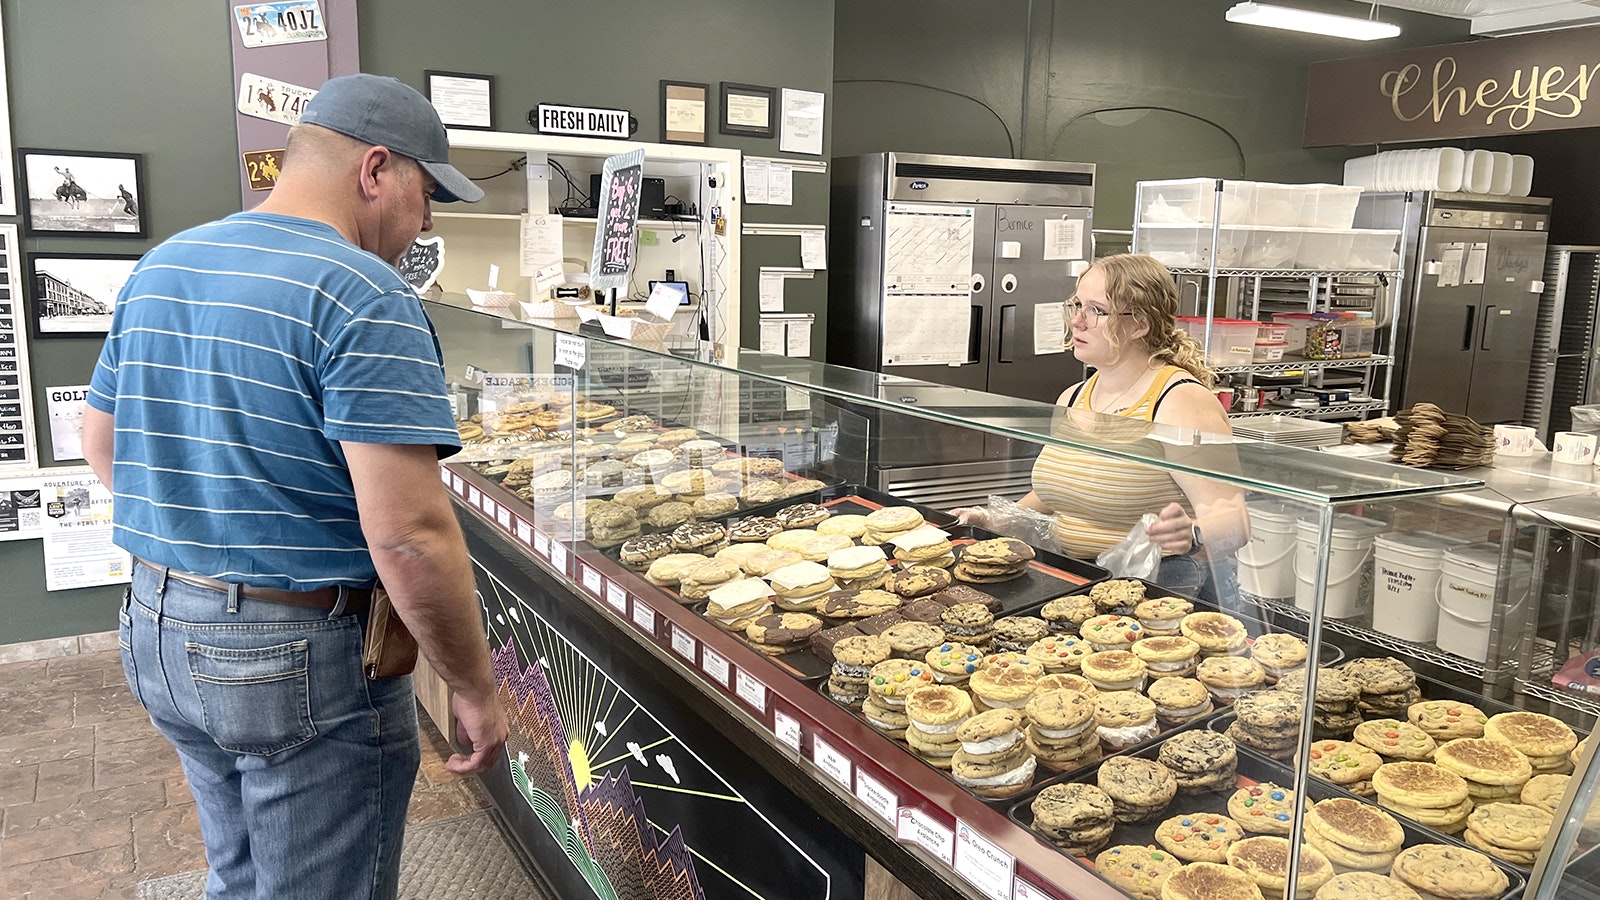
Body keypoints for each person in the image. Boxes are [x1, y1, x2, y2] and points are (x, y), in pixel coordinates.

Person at [81, 74, 508, 899]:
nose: (425, 222)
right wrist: (473, 687)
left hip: (156, 626)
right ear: (376, 170)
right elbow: (409, 536)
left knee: (238, 875)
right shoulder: (365, 293)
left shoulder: (165, 262)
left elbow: (104, 449)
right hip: (294, 655)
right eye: (425, 195)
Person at [954, 253, 1248, 603]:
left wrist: (1193, 536)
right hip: (1079, 578)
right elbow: (1056, 495)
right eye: (1076, 304)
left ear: (1138, 324)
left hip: (1166, 587)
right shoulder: (1073, 397)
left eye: (1096, 310)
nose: (1077, 321)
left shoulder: (1181, 402)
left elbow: (1237, 524)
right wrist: (996, 520)